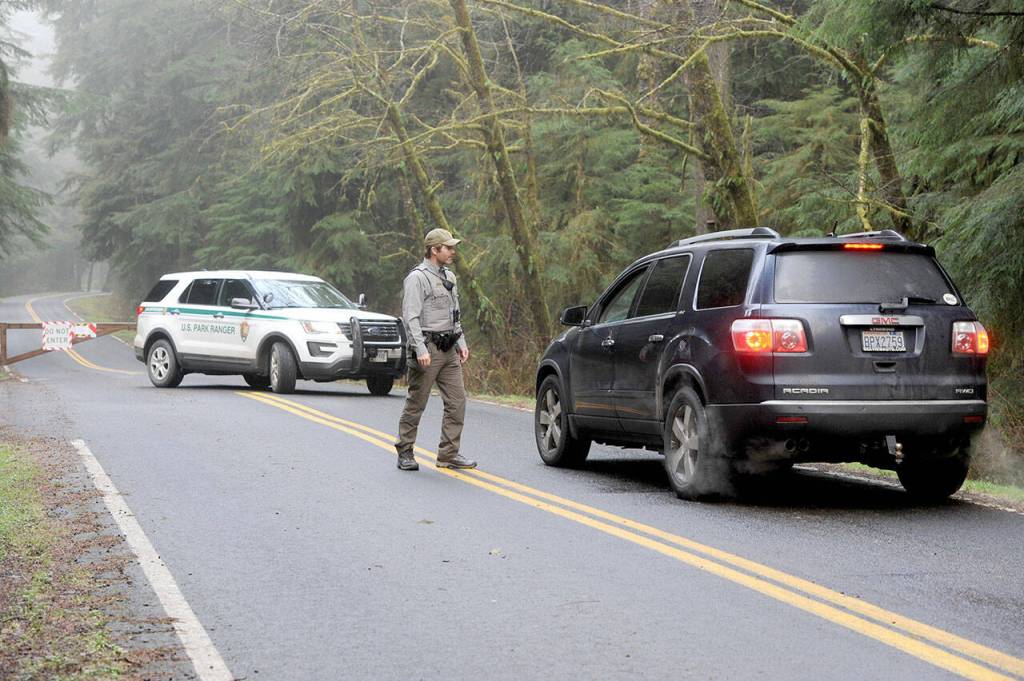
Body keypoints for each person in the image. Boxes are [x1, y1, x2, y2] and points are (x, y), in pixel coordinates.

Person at [394, 228, 476, 471]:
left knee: (457, 401)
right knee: (416, 402)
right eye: (448, 247)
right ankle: (405, 451)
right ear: (434, 250)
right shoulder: (417, 278)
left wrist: (461, 343)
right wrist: (420, 349)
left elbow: (455, 314)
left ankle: (448, 454)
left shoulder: (449, 276)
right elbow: (411, 318)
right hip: (428, 348)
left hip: (449, 348)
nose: (453, 251)